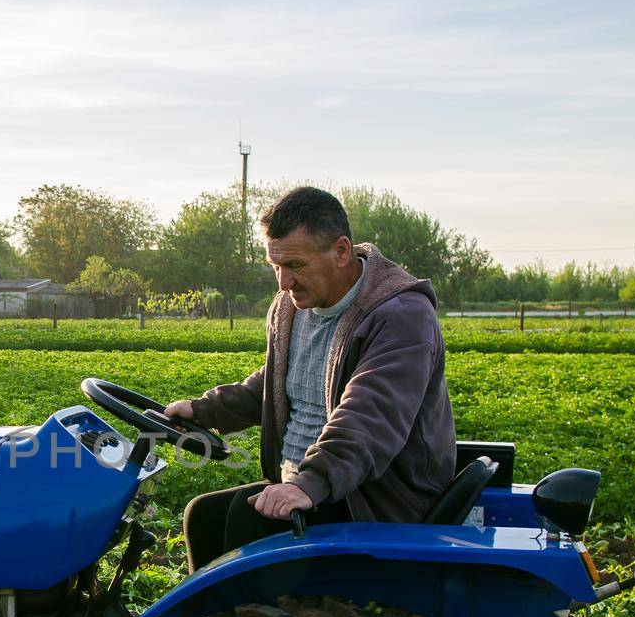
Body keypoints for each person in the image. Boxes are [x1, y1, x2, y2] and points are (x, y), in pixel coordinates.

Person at [166, 186, 456, 572]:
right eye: (276, 267)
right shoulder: (294, 305)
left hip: (371, 499)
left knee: (245, 524)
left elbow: (369, 418)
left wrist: (307, 484)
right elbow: (279, 383)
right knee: (204, 515)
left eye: (296, 266)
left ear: (340, 251)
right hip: (313, 486)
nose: (284, 282)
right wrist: (205, 409)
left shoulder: (400, 316)